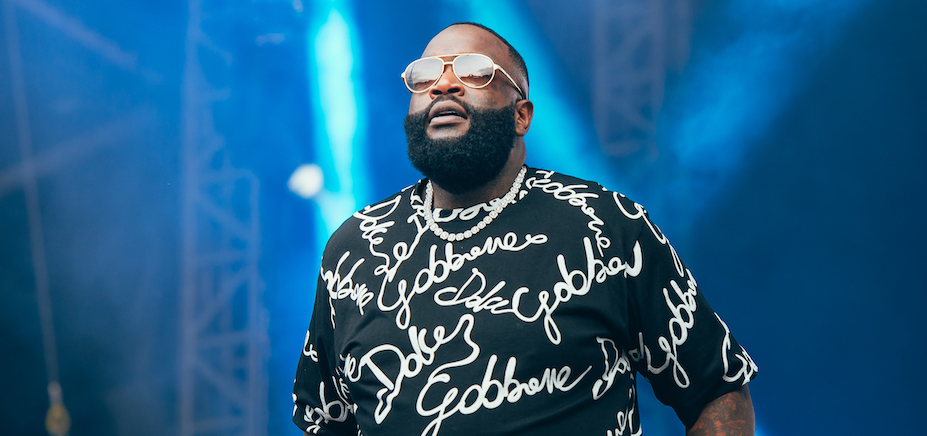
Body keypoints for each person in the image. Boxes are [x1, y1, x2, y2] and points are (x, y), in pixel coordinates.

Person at [292, 22, 758, 436]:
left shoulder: (607, 226)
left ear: (522, 115)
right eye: (424, 75)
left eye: (474, 71)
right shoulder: (353, 247)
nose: (443, 84)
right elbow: (326, 420)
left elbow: (717, 388)